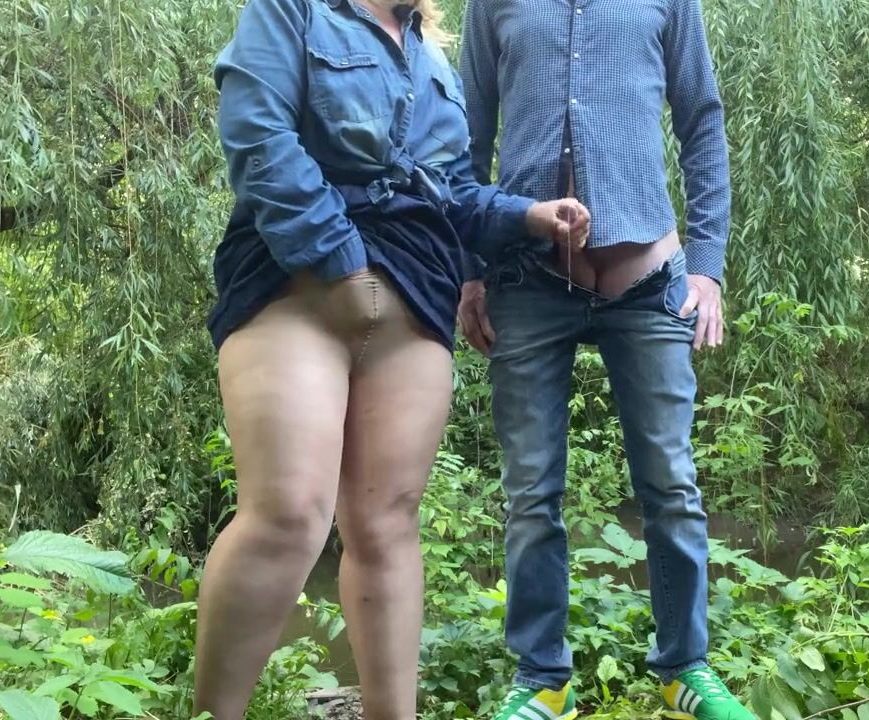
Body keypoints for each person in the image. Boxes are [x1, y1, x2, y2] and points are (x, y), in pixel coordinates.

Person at [194, 0, 589, 718]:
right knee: (287, 515)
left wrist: (526, 216)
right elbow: (259, 139)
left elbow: (452, 193)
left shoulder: (433, 55)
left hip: (417, 298)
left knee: (387, 526)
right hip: (293, 286)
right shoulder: (294, 12)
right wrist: (340, 263)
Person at [457, 1, 753, 719]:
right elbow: (468, 137)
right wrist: (468, 270)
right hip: (524, 278)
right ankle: (543, 680)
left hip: (647, 279)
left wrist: (707, 265)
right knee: (530, 494)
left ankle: (684, 669)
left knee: (671, 485)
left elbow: (701, 119)